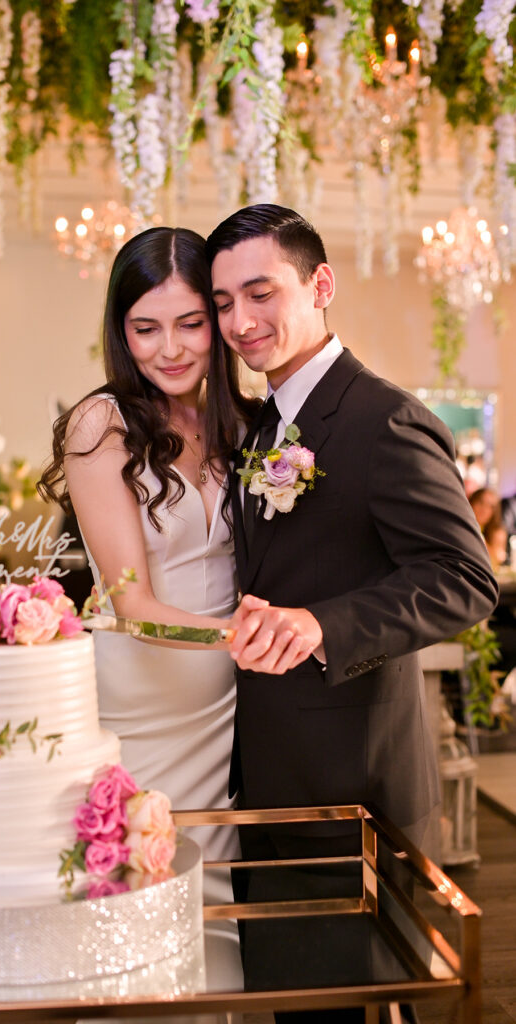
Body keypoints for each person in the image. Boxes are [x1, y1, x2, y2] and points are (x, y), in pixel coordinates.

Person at [204, 204, 499, 1021]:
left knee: (356, 1005)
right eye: (223, 303)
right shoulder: (267, 424)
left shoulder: (382, 419)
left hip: (351, 791)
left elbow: (459, 577)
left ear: (320, 284)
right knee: (300, 1001)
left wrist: (319, 624)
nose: (239, 321)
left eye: (259, 293)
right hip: (272, 778)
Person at [38, 226, 258, 998]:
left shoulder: (235, 423)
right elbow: (131, 605)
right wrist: (250, 634)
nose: (169, 347)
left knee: (221, 924)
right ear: (119, 331)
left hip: (229, 702)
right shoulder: (101, 424)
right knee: (143, 908)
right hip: (144, 704)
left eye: (189, 322)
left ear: (219, 321)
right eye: (145, 327)